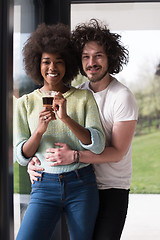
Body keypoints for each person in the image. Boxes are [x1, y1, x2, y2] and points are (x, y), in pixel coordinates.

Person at [27, 19, 138, 240]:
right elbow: (57, 134)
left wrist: (75, 155)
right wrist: (34, 162)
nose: (91, 62)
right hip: (80, 184)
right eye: (86, 57)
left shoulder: (121, 97)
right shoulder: (78, 93)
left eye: (98, 56)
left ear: (110, 58)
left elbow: (117, 152)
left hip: (111, 188)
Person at [14, 22, 106, 240]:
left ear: (69, 65)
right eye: (46, 61)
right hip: (43, 187)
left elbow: (99, 144)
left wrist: (65, 118)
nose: (52, 67)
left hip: (81, 184)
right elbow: (21, 155)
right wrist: (38, 132)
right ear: (37, 63)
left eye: (59, 62)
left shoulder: (84, 98)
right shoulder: (25, 103)